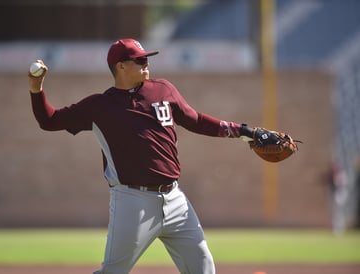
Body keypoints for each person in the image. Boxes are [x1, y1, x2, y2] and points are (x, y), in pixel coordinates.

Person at [29, 38, 256, 274]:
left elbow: (196, 120)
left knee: (204, 268)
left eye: (146, 58)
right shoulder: (99, 106)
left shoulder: (163, 89)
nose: (146, 62)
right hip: (133, 201)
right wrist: (36, 89)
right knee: (113, 272)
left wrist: (243, 131)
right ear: (121, 66)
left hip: (175, 198)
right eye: (139, 59)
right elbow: (49, 120)